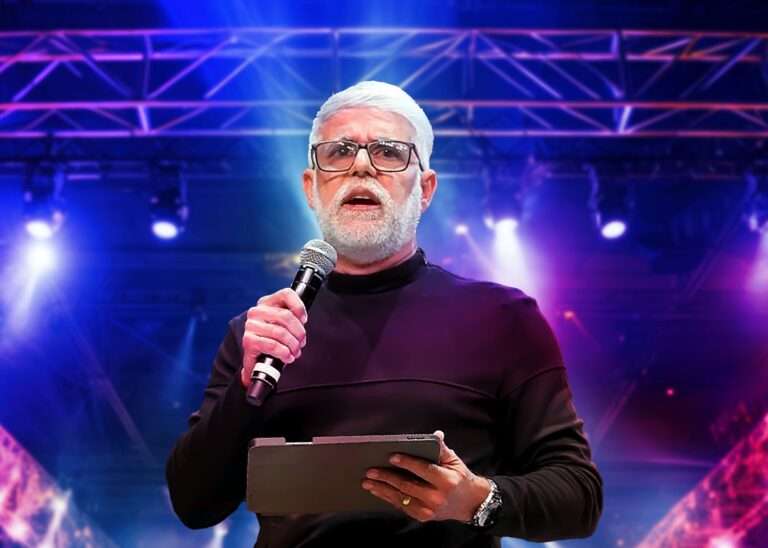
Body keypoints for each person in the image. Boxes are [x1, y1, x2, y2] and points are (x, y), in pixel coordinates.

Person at [166, 80, 602, 547]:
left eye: (389, 152)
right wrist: (244, 389)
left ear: (426, 188)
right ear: (311, 187)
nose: (361, 165)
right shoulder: (262, 334)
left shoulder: (502, 318)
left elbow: (579, 495)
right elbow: (194, 503)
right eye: (339, 152)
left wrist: (477, 500)